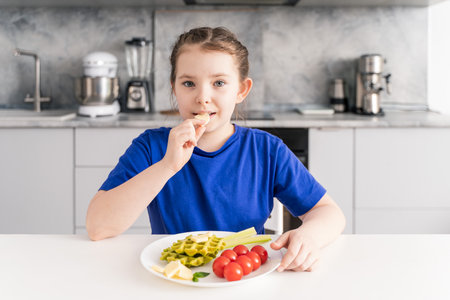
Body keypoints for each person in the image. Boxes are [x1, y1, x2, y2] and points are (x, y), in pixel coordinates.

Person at [86, 26, 346, 272]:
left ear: (241, 90)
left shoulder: (267, 150)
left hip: (244, 274)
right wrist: (167, 166)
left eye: (219, 83)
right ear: (173, 88)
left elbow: (328, 212)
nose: (202, 97)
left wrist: (309, 235)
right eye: (188, 83)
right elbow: (98, 226)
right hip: (176, 280)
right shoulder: (151, 147)